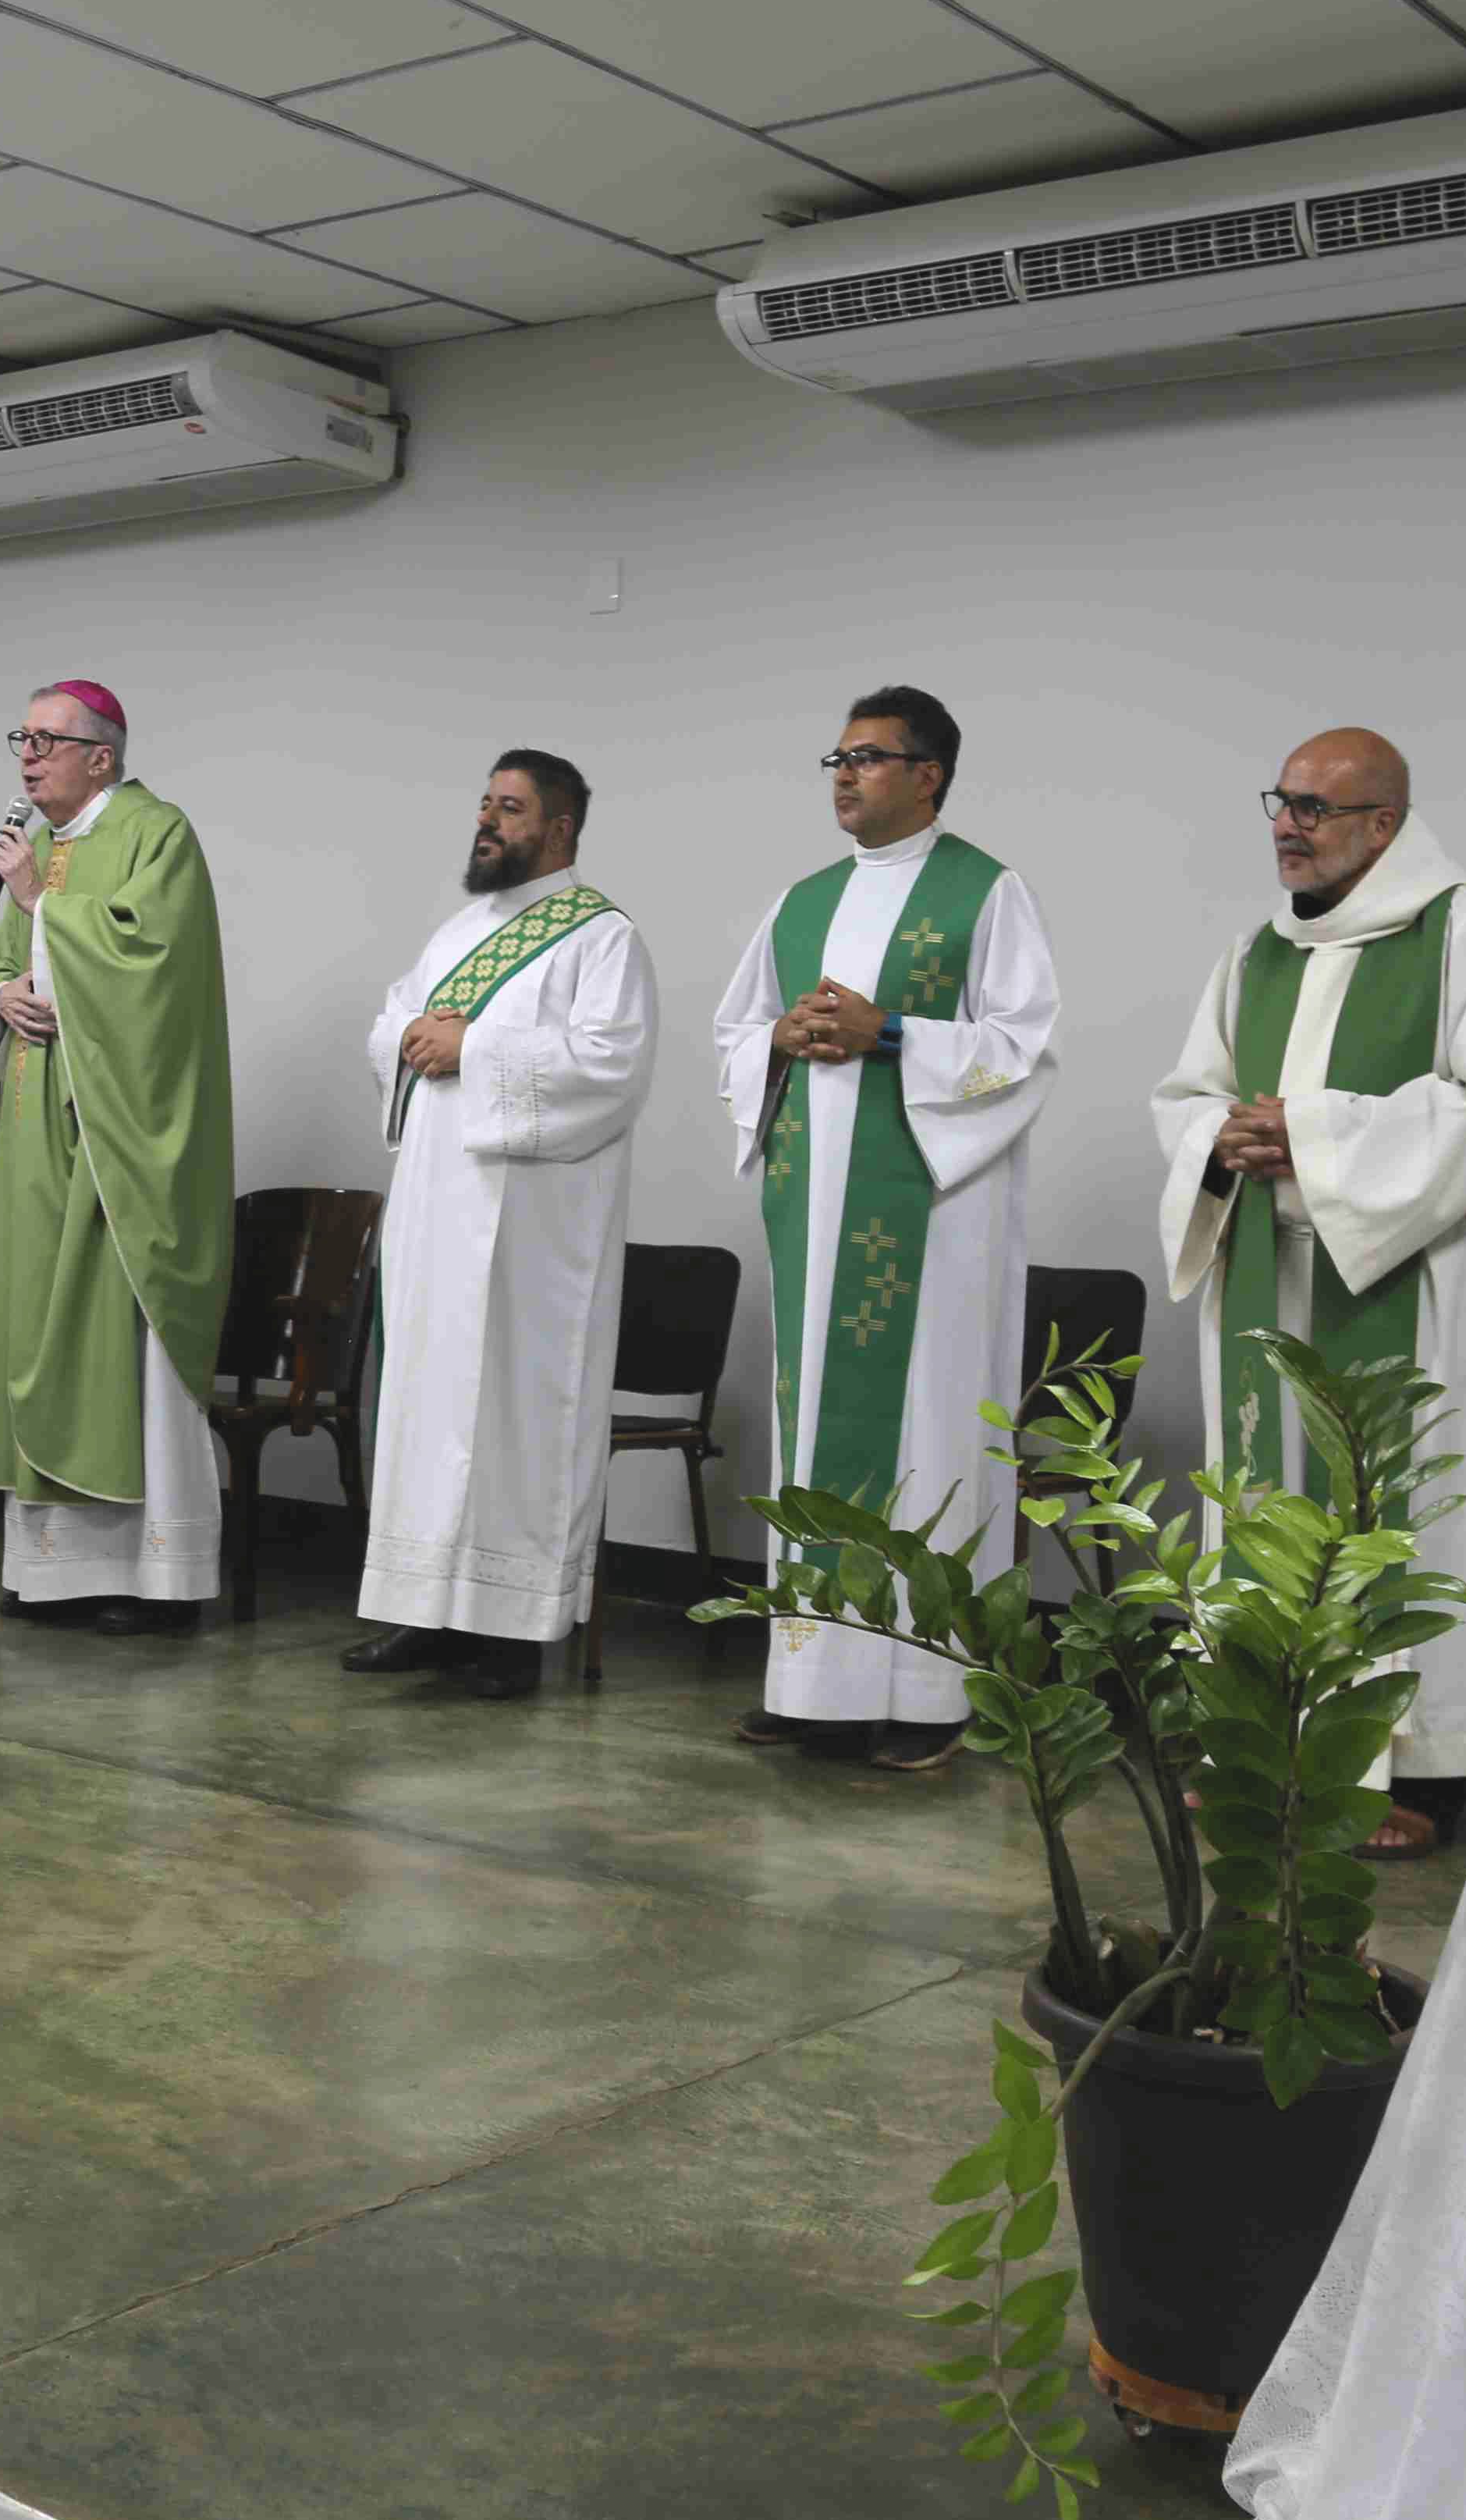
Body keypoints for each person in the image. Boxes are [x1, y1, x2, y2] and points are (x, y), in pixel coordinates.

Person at [1148, 728, 1466, 1850]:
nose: (1288, 825)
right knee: (1267, 1511)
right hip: (1269, 1275)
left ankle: (1418, 1774)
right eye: (1281, 802)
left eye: (1316, 808)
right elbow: (1189, 1091)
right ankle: (1268, 1749)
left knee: (1417, 1520)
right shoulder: (1256, 953)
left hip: (1410, 1280)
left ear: (1384, 824)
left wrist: (1314, 1139)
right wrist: (1219, 1139)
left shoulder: (1465, 929)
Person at [712, 684, 1059, 1772]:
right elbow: (735, 1033)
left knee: (927, 1431)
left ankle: (930, 1694)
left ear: (929, 775)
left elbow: (1025, 1049)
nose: (846, 776)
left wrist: (894, 1033)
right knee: (817, 1427)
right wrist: (780, 1038)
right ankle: (813, 1684)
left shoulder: (984, 891)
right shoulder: (802, 901)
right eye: (839, 758)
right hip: (816, 1218)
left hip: (932, 1226)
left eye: (868, 757)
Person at [343, 752, 658, 1701]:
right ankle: (425, 1609)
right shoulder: (458, 931)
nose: (487, 820)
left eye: (510, 808)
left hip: (530, 1233)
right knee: (430, 1406)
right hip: (436, 1211)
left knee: (514, 1414)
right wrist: (413, 1038)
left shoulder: (601, 938)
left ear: (558, 828)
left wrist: (473, 1046)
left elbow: (611, 1067)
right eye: (485, 803)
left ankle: (509, 1633)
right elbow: (395, 1023)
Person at [0, 682, 236, 1637]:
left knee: (113, 1339)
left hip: (119, 1140)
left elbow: (155, 966)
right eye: (22, 739)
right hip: (37, 1132)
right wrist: (3, 996)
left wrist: (43, 905)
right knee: (36, 1330)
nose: (28, 756)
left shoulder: (158, 833)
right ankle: (52, 1572)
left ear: (102, 757)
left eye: (48, 740)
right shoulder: (44, 847)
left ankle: (149, 1576)